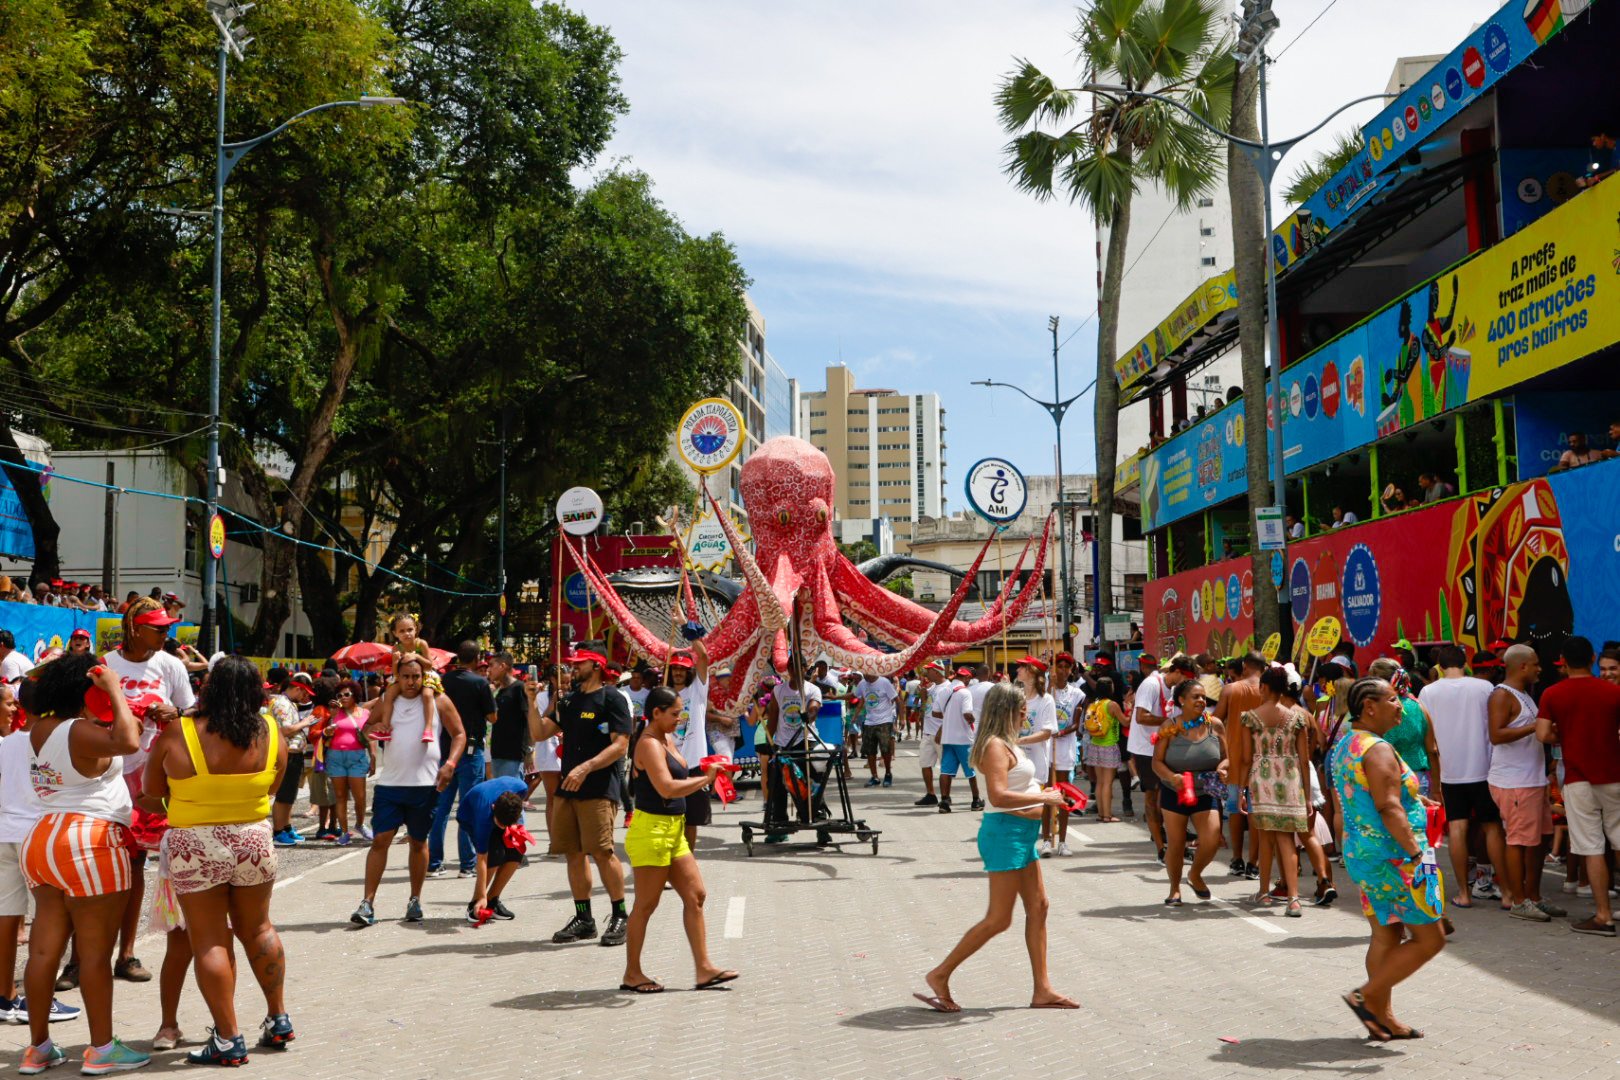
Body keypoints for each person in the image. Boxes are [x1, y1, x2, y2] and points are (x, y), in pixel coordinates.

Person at [141, 656, 292, 1065]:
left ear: (210, 688)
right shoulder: (270, 730)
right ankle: (278, 1018)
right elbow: (276, 780)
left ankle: (228, 1039)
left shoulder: (181, 731)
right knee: (259, 927)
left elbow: (151, 789)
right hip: (254, 838)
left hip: (196, 843)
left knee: (208, 939)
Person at [18, 655, 149, 1074]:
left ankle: (37, 1048)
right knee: (94, 954)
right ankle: (102, 1050)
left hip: (43, 837)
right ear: (84, 689)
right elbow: (129, 743)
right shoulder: (78, 730)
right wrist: (114, 687)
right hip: (90, 841)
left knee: (42, 951)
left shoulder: (40, 727)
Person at [915, 684, 1075, 1013]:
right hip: (1005, 835)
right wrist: (1043, 798)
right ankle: (940, 974)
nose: (1024, 714)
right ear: (1004, 711)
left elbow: (1016, 787)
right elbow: (999, 795)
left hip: (1020, 833)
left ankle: (1042, 989)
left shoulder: (1007, 743)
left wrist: (1043, 791)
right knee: (999, 919)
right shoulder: (994, 746)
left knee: (1040, 906)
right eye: (1019, 710)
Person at [1330, 678, 1445, 1041]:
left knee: (1386, 934)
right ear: (1369, 707)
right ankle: (1365, 996)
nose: (1402, 705)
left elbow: (1370, 795)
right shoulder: (1377, 749)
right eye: (1394, 699)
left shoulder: (1347, 742)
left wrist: (1417, 801)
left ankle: (1381, 1016)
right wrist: (1417, 856)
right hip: (1394, 857)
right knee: (1431, 939)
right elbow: (1387, 805)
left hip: (1366, 854)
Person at [101, 595, 194, 986]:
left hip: (148, 779)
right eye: (159, 628)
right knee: (100, 867)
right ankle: (80, 960)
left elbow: (191, 711)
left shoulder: (171, 665)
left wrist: (174, 714)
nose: (165, 634)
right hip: (104, 777)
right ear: (136, 628)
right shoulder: (105, 665)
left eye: (167, 628)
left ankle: (126, 953)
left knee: (136, 864)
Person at [618, 687, 735, 995]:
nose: (679, 718)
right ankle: (632, 973)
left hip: (674, 830)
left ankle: (703, 968)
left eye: (681, 712)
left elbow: (680, 775)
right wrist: (706, 780)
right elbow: (667, 788)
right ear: (655, 713)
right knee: (646, 905)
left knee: (696, 895)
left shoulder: (667, 739)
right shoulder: (647, 744)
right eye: (674, 713)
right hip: (651, 831)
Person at [350, 655, 467, 927]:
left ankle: (415, 899)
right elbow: (362, 732)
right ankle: (367, 902)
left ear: (423, 675)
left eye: (416, 676)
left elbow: (460, 733)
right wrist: (372, 728)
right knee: (380, 840)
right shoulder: (386, 702)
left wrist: (450, 764)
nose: (411, 682)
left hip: (425, 786)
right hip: (390, 785)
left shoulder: (438, 700)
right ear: (397, 677)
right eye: (406, 676)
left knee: (418, 842)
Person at [529, 649, 632, 946]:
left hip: (599, 787)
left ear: (597, 666)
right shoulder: (569, 701)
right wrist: (530, 700)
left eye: (579, 664)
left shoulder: (612, 698)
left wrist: (586, 767)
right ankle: (584, 918)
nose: (573, 668)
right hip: (568, 788)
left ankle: (620, 915)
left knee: (602, 852)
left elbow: (621, 745)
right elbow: (539, 733)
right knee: (573, 853)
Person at [0, 685, 79, 1026]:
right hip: (38, 837)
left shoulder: (7, 743)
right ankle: (39, 998)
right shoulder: (56, 743)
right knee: (48, 921)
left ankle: (6, 996)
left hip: (5, 833)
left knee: (5, 918)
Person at [1536, 635, 1620, 935]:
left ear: (1564, 661)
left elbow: (1543, 734)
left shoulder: (1553, 694)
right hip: (1615, 774)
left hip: (1578, 779)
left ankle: (1603, 916)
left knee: (1592, 847)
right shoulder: (1612, 692)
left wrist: (1567, 734)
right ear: (1593, 659)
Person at [1418, 644, 1507, 909]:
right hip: (1484, 768)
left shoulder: (1428, 691)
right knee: (1492, 827)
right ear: (1465, 661)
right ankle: (1508, 894)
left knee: (1457, 828)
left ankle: (1463, 894)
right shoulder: (1484, 687)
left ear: (1440, 666)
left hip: (1449, 771)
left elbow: (1428, 736)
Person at [1486, 645, 1561, 922]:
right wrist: (1536, 726)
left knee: (1539, 840)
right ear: (1522, 667)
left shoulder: (1525, 695)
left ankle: (1535, 897)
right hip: (1513, 782)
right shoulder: (1501, 695)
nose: (1540, 668)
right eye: (1536, 663)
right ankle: (1519, 901)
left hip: (1532, 779)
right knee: (1518, 842)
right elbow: (1496, 735)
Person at [1238, 667, 1313, 916]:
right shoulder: (1297, 718)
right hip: (1290, 780)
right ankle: (1293, 898)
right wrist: (1309, 796)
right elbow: (1304, 760)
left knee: (1265, 836)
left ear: (1265, 688)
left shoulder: (1250, 717)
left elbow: (1246, 758)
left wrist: (1242, 789)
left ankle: (1264, 892)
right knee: (1287, 840)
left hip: (1262, 780)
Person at [1152, 679, 1226, 906]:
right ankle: (1174, 889)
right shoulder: (1169, 727)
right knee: (1176, 842)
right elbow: (1157, 762)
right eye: (1195, 696)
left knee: (1212, 839)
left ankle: (1195, 875)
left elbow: (1226, 756)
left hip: (1207, 789)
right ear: (1181, 701)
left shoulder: (1215, 724)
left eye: (1203, 697)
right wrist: (1170, 777)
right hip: (1175, 790)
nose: (1201, 701)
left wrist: (1224, 767)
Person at [427, 642, 496, 878]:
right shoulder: (480, 683)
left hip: (444, 750)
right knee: (469, 807)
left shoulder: (443, 681)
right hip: (470, 749)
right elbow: (492, 716)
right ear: (477, 658)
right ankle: (467, 864)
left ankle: (435, 863)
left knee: (440, 808)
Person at [1133, 654, 1196, 863]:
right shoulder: (1151, 684)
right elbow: (1141, 717)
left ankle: (1175, 844)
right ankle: (1161, 850)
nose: (1186, 685)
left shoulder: (1174, 689)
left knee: (1169, 796)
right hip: (1145, 749)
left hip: (1164, 746)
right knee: (1152, 798)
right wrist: (1170, 722)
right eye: (1184, 679)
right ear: (1176, 672)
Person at [1214, 653, 1267, 880]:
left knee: (1235, 810)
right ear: (1264, 667)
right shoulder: (1269, 690)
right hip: (1263, 759)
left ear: (1244, 666)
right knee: (1255, 812)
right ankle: (1253, 864)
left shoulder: (1231, 689)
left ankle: (1236, 858)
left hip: (1234, 759)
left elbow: (1216, 721)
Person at [457, 774, 537, 923]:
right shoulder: (483, 818)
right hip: (469, 816)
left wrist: (509, 827)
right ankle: (475, 904)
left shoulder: (522, 788)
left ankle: (492, 902)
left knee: (517, 848)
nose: (503, 828)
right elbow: (482, 859)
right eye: (501, 825)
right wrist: (481, 895)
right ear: (493, 809)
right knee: (495, 856)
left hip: (499, 809)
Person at [1014, 658, 1060, 857]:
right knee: (1021, 803)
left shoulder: (1045, 700)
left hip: (1037, 760)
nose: (1018, 670)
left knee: (1037, 803)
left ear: (1032, 673)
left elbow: (1046, 732)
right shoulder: (1017, 697)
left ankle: (1047, 839)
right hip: (1016, 760)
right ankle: (1025, 841)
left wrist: (1020, 741)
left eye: (1022, 667)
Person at [669, 641, 712, 848]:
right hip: (668, 764)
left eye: (682, 669)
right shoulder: (663, 695)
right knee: (670, 819)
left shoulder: (698, 691)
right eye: (675, 668)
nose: (678, 672)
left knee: (691, 820)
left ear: (689, 672)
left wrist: (687, 628)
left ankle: (688, 863)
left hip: (694, 764)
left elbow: (703, 657)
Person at [321, 679, 373, 845]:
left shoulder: (365, 713)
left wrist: (373, 756)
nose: (343, 697)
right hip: (336, 757)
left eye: (346, 694)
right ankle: (344, 832)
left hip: (357, 757)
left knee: (360, 796)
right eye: (339, 695)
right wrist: (328, 729)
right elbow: (326, 733)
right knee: (340, 796)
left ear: (355, 695)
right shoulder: (335, 712)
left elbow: (369, 735)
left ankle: (359, 824)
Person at [268, 671, 316, 848]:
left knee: (290, 795)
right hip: (286, 753)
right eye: (304, 693)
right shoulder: (282, 703)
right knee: (283, 795)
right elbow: (284, 730)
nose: (305, 698)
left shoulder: (289, 703)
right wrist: (306, 723)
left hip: (294, 753)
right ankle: (278, 831)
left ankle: (286, 827)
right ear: (296, 688)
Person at [1049, 652, 1085, 850]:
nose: (1062, 670)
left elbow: (1076, 724)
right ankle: (1047, 839)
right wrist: (1049, 685)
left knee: (1062, 794)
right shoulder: (1046, 691)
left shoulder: (1077, 694)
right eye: (1058, 666)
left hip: (1065, 747)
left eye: (1066, 667)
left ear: (1071, 670)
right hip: (1046, 748)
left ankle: (1062, 841)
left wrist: (1061, 732)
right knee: (1046, 794)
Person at [936, 668, 982, 814]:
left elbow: (935, 712)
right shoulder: (965, 692)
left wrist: (949, 715)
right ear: (967, 677)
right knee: (971, 771)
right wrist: (973, 720)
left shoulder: (944, 691)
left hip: (948, 736)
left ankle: (944, 801)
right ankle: (976, 800)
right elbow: (967, 713)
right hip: (963, 738)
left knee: (946, 770)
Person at [1082, 679, 1124, 823]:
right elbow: (1125, 722)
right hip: (1109, 746)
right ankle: (1107, 815)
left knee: (1099, 782)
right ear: (1110, 688)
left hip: (1094, 745)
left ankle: (1101, 814)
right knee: (1108, 783)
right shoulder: (1112, 705)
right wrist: (1130, 708)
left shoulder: (1093, 704)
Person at [853, 670, 899, 789]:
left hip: (884, 721)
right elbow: (855, 696)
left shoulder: (884, 682)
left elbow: (897, 700)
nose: (865, 675)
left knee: (885, 749)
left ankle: (888, 774)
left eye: (867, 673)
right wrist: (835, 697)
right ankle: (875, 777)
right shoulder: (862, 684)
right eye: (864, 674)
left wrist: (900, 719)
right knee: (870, 751)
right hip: (869, 721)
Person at [915, 663, 948, 807]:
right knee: (925, 763)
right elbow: (925, 709)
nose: (926, 673)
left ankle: (945, 797)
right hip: (928, 732)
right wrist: (922, 698)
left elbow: (949, 713)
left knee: (945, 767)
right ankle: (931, 794)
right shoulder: (932, 687)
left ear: (936, 671)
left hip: (941, 733)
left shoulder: (947, 688)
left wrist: (941, 731)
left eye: (928, 670)